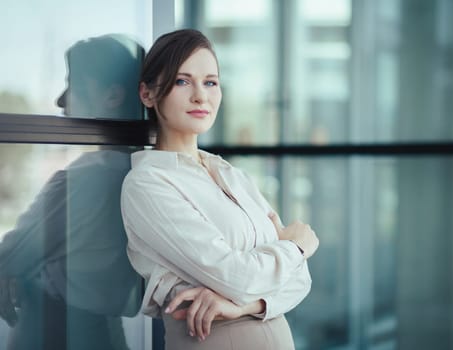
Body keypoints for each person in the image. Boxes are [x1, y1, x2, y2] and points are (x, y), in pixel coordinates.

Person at [120, 29, 320, 349]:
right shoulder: (148, 184)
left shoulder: (232, 175)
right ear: (148, 94)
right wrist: (296, 247)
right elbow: (238, 277)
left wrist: (244, 305)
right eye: (183, 81)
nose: (201, 96)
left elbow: (300, 280)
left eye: (210, 82)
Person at [0, 34, 144, 350]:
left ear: (113, 96)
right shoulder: (139, 171)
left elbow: (9, 255)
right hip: (105, 334)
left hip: (57, 331)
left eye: (73, 85)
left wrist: (9, 273)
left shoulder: (86, 179)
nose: (60, 101)